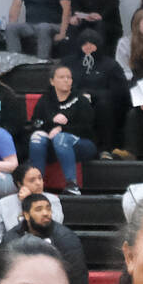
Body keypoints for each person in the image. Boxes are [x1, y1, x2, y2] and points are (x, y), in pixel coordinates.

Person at [25, 64, 96, 198]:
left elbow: (87, 129)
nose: (66, 80)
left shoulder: (80, 100)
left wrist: (62, 129)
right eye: (61, 77)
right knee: (36, 137)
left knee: (61, 138)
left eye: (69, 77)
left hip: (81, 144)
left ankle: (72, 185)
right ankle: (36, 185)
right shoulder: (45, 100)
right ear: (52, 81)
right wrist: (51, 125)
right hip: (52, 145)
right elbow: (35, 123)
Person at [14, 191, 92, 284]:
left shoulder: (66, 238)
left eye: (48, 209)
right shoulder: (13, 237)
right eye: (39, 209)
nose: (45, 213)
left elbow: (78, 276)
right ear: (27, 215)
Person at [0, 166, 62, 251]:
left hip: (47, 251)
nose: (38, 183)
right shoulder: (3, 204)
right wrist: (8, 254)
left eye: (40, 178)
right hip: (13, 255)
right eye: (32, 180)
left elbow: (56, 226)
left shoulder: (52, 200)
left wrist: (30, 200)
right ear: (19, 184)